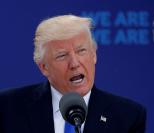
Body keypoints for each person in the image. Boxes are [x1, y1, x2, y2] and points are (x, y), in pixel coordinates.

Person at [0, 15, 146, 133]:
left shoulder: (128, 117)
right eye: (62, 55)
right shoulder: (7, 108)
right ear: (44, 67)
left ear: (94, 55)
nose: (75, 63)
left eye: (81, 51)